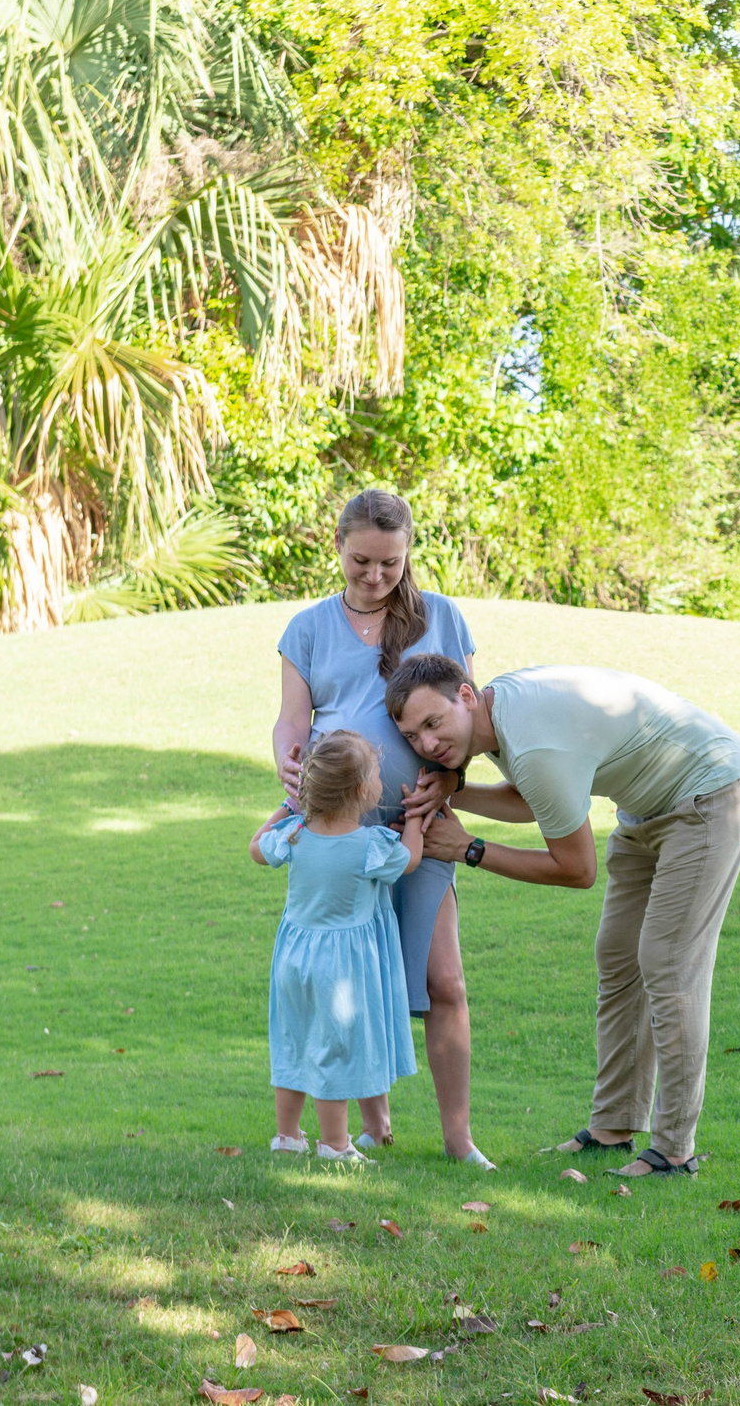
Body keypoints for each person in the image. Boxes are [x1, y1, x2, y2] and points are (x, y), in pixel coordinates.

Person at [388, 655, 740, 1179]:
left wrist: (467, 848)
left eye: (434, 723)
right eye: (412, 736)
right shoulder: (501, 716)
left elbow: (575, 868)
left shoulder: (532, 743)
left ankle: (675, 1152)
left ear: (467, 697)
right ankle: (613, 1127)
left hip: (711, 793)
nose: (427, 745)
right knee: (618, 954)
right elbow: (537, 797)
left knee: (668, 962)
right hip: (646, 807)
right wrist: (458, 790)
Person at [272, 488, 491, 1167]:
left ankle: (459, 1140)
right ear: (337, 546)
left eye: (390, 565)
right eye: (362, 561)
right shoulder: (308, 628)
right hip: (340, 832)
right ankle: (372, 1125)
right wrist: (285, 755)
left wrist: (450, 779)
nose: (374, 576)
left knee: (443, 980)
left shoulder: (443, 617)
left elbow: (469, 717)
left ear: (408, 555)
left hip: (419, 824)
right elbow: (293, 716)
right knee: (353, 975)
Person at [248, 731, 419, 1163]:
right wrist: (417, 817)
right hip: (339, 969)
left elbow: (255, 848)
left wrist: (290, 805)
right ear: (364, 790)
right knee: (335, 1048)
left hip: (292, 958)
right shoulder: (368, 846)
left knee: (293, 1037)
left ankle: (287, 1136)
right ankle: (335, 1144)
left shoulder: (295, 834)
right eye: (377, 773)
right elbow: (410, 860)